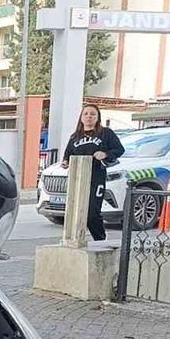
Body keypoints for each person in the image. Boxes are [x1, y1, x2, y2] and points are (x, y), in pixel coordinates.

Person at [61, 103, 124, 242]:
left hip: (96, 177)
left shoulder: (106, 133)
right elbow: (67, 154)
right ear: (81, 117)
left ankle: (100, 240)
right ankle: (74, 240)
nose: (89, 116)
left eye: (92, 114)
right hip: (77, 178)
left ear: (98, 117)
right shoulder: (74, 137)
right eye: (86, 114)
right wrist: (65, 162)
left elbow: (119, 150)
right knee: (75, 211)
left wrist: (105, 154)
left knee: (92, 213)